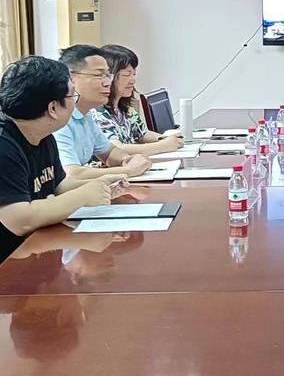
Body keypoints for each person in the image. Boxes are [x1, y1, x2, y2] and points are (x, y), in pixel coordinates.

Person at [0, 56, 125, 262]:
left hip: (36, 252)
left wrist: (100, 183)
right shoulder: (4, 146)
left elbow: (57, 185)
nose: (75, 103)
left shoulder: (44, 136)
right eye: (72, 96)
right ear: (53, 108)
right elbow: (18, 220)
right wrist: (82, 197)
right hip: (11, 264)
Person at [54, 45, 151, 180]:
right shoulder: (59, 120)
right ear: (70, 78)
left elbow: (109, 152)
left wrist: (127, 160)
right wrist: (128, 170)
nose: (107, 83)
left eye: (108, 75)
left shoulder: (85, 115)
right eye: (99, 75)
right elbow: (72, 174)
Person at [91, 44, 183, 156]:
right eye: (126, 75)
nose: (133, 80)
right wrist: (163, 145)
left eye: (134, 74)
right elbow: (115, 149)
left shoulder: (123, 109)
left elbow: (142, 134)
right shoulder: (97, 111)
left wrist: (167, 139)